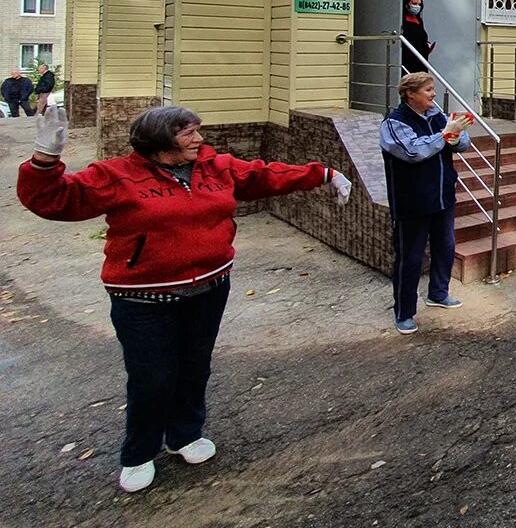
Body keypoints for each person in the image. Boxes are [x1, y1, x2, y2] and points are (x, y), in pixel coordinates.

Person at [16, 102, 351, 492]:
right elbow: (54, 200)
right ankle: (139, 453)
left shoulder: (214, 167)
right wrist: (45, 158)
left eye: (198, 131)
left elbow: (262, 175)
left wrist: (325, 174)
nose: (200, 139)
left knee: (195, 367)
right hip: (143, 300)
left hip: (209, 289)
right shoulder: (117, 175)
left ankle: (185, 435)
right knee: (152, 379)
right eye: (189, 133)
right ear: (161, 140)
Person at [380, 73, 474, 333]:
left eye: (433, 89)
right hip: (413, 201)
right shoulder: (394, 123)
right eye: (428, 90)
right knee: (410, 258)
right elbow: (412, 151)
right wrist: (445, 136)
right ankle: (404, 312)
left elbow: (463, 143)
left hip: (443, 195)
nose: (434, 95)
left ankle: (439, 293)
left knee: (446, 246)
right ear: (411, 94)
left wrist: (455, 137)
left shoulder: (437, 115)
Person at [400, 0, 434, 74]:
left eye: (419, 4)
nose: (417, 6)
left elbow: (421, 36)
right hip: (408, 57)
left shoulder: (419, 20)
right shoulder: (402, 20)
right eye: (414, 4)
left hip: (421, 57)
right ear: (406, 5)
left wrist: (427, 45)